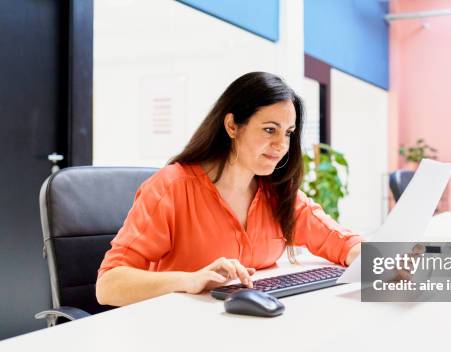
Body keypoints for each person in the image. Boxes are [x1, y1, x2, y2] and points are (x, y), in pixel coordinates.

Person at [96, 72, 364, 306]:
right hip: (176, 331)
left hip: (243, 326)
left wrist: (392, 266)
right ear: (232, 126)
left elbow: (342, 243)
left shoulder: (277, 192)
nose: (282, 145)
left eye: (288, 132)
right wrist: (190, 280)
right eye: (270, 130)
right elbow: (108, 285)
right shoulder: (171, 187)